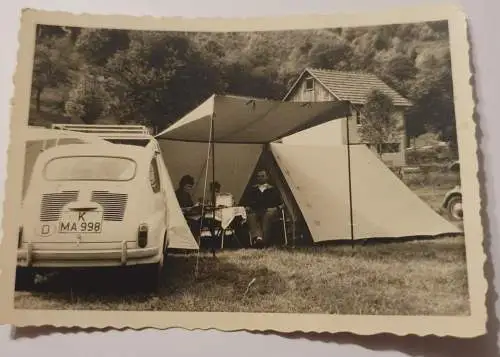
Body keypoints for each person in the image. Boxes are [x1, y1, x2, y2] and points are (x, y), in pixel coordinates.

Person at [243, 169, 283, 247]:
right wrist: (248, 207)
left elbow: (281, 204)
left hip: (270, 210)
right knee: (251, 216)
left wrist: (276, 208)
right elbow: (248, 202)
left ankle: (264, 240)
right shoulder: (253, 189)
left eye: (262, 176)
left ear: (267, 177)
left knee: (267, 216)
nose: (260, 178)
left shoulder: (273, 189)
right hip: (256, 210)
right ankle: (259, 239)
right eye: (258, 176)